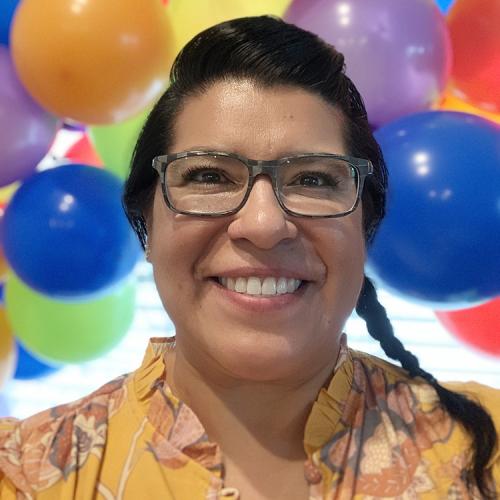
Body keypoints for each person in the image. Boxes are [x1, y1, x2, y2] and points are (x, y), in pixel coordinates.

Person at [0, 15, 498, 500]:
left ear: (364, 230)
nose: (263, 226)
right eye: (209, 176)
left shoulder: (486, 452)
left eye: (314, 180)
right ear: (145, 227)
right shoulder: (24, 474)